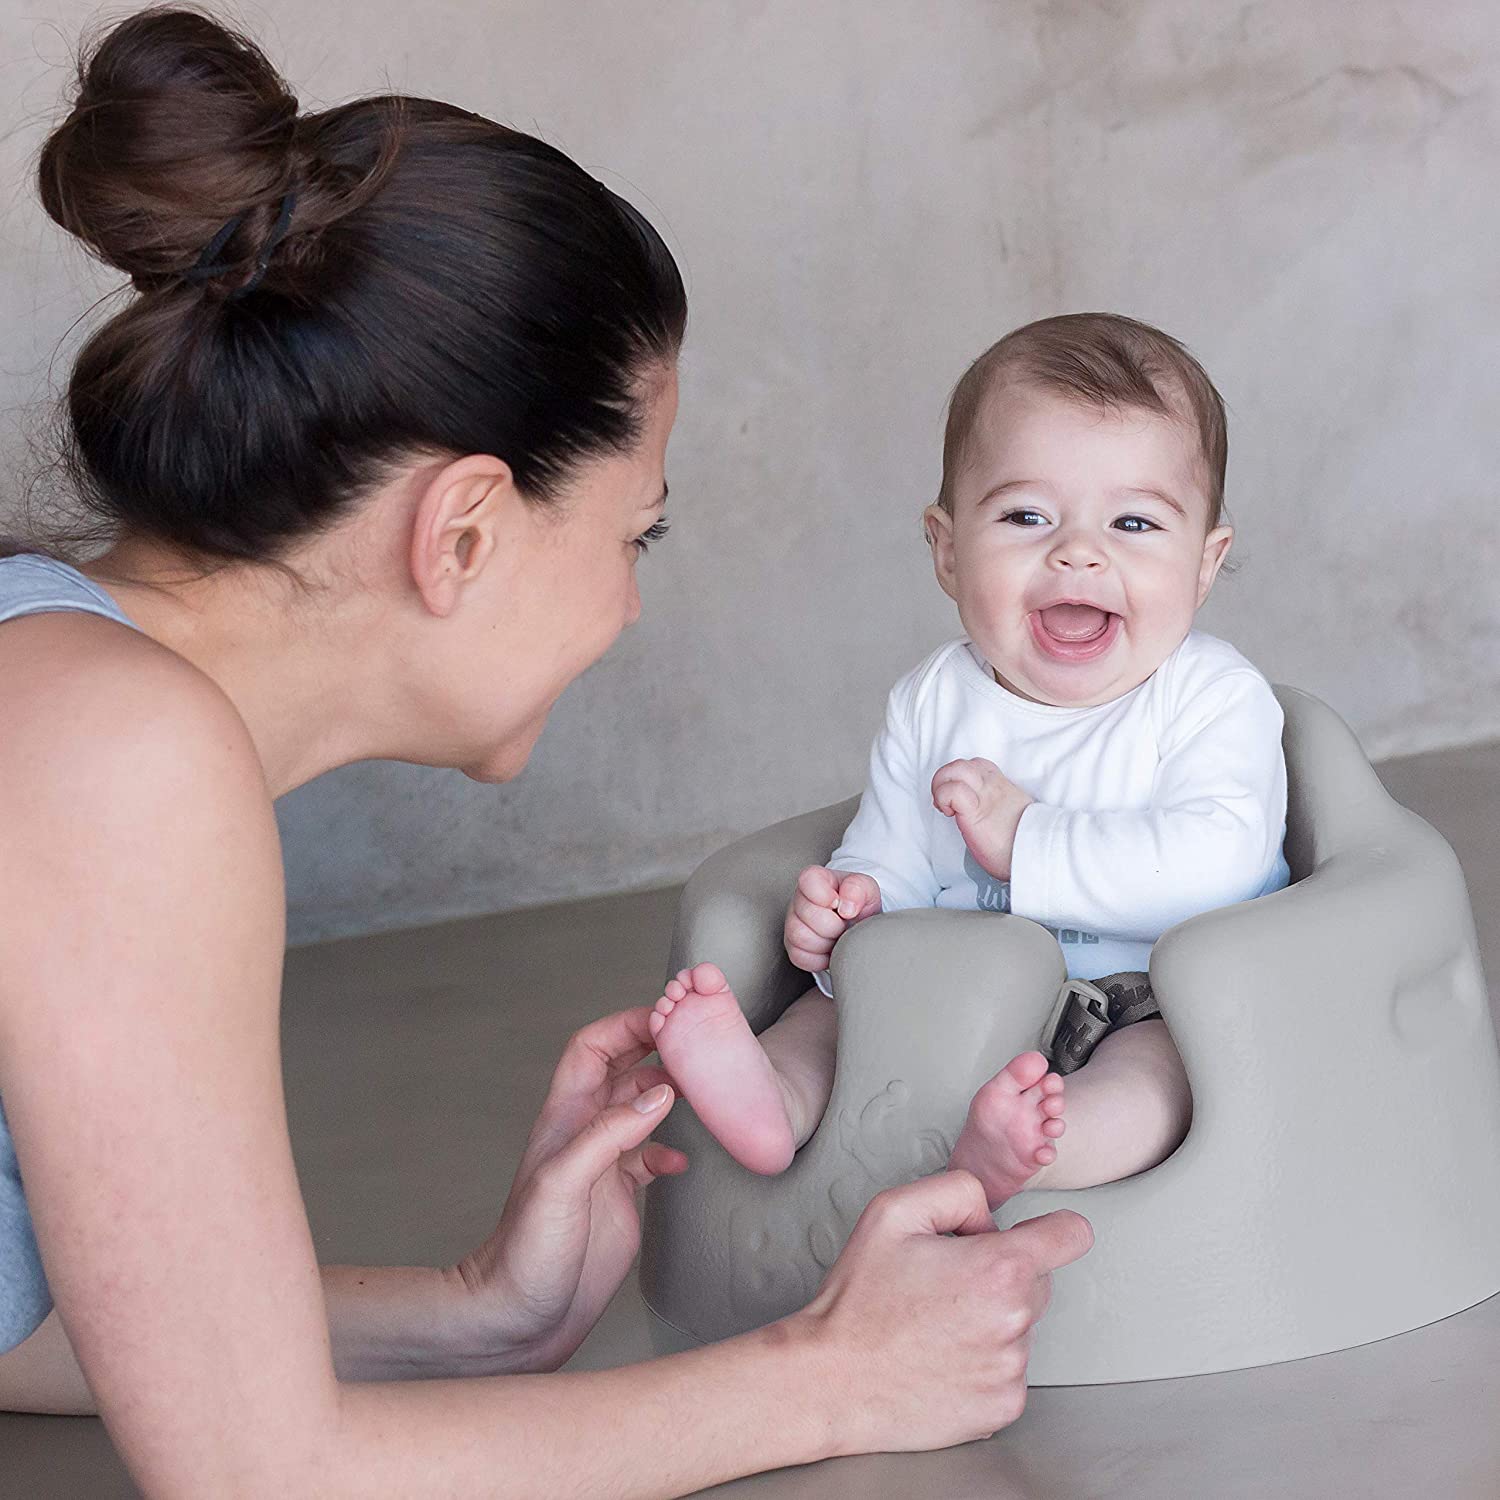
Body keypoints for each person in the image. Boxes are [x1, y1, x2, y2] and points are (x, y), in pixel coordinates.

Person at [0, 9, 1094, 1496]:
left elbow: (33, 1332)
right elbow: (257, 1474)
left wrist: (471, 1320)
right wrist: (831, 1381)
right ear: (461, 531)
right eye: (635, 532)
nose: (633, 601)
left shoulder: (62, 695)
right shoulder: (118, 759)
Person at [649, 313, 1290, 1206]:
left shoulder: (1213, 698)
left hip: (1142, 989)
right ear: (948, 550)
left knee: (1161, 1080)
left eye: (1135, 522)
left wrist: (1027, 839)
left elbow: (1218, 862)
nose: (1078, 550)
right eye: (1027, 515)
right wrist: (851, 909)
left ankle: (1043, 1154)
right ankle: (773, 1101)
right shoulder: (934, 698)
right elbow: (893, 849)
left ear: (1205, 563)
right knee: (830, 1016)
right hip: (958, 984)